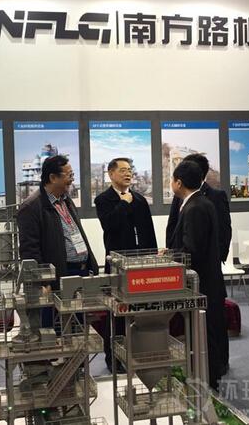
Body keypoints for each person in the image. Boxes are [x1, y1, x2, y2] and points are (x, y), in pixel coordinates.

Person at [166, 153, 232, 373]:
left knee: (209, 329)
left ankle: (212, 375)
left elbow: (193, 249)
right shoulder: (194, 201)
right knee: (202, 331)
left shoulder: (197, 205)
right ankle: (208, 372)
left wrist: (170, 257)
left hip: (203, 278)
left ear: (179, 182)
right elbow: (178, 232)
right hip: (200, 275)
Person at [17, 155, 98, 325]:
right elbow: (30, 250)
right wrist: (43, 281)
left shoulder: (66, 200)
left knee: (78, 326)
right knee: (58, 328)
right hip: (58, 277)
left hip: (80, 272)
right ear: (53, 177)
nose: (72, 179)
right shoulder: (31, 207)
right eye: (69, 175)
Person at [94, 157, 157, 373]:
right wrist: (123, 203)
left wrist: (152, 258)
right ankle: (113, 358)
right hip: (117, 265)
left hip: (140, 264)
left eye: (129, 170)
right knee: (116, 312)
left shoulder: (140, 199)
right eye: (122, 170)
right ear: (111, 174)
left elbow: (148, 232)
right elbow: (109, 225)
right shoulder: (103, 200)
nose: (128, 173)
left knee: (139, 310)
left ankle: (136, 353)